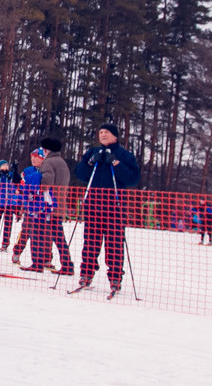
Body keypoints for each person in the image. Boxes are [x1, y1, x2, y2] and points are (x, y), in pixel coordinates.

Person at [74, 121, 142, 296]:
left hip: (114, 207)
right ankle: (86, 274)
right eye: (100, 132)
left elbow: (132, 179)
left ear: (115, 136)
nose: (102, 135)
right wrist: (89, 163)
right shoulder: (93, 152)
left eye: (106, 132)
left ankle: (115, 277)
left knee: (114, 244)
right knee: (90, 243)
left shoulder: (125, 155)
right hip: (93, 205)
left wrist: (117, 164)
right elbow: (80, 174)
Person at [15, 140, 75, 274]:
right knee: (58, 236)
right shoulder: (62, 163)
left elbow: (46, 181)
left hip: (46, 206)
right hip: (58, 205)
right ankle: (67, 264)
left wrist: (34, 189)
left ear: (47, 150)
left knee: (36, 233)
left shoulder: (49, 162)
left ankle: (37, 263)